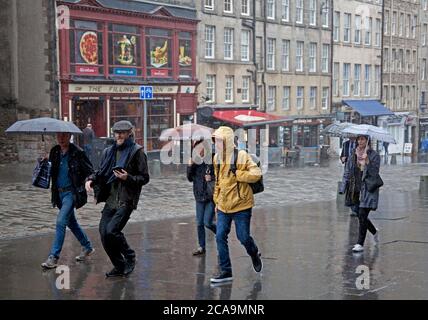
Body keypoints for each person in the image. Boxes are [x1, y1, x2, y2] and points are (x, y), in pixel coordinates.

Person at [85, 121, 150, 278]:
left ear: (129, 133)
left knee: (112, 230)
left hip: (126, 199)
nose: (119, 135)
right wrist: (90, 179)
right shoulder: (109, 151)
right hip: (111, 199)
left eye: (122, 132)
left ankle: (129, 255)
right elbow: (100, 171)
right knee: (103, 233)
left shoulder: (137, 152)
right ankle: (119, 266)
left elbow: (144, 177)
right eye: (116, 133)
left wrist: (128, 177)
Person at [210, 126, 263, 283]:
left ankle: (254, 253)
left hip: (242, 206)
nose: (216, 144)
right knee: (220, 237)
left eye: (219, 141)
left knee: (243, 237)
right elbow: (218, 182)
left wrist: (239, 174)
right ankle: (226, 271)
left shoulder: (241, 156)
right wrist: (216, 200)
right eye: (215, 141)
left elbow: (256, 174)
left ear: (227, 141)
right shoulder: (216, 158)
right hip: (223, 206)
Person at [41, 132, 95, 269]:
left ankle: (53, 256)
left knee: (60, 221)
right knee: (71, 222)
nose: (61, 138)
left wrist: (89, 181)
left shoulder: (78, 153)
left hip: (71, 193)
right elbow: (51, 169)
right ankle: (87, 246)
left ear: (70, 135)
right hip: (58, 194)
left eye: (64, 135)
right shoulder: (54, 151)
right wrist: (44, 162)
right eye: (58, 135)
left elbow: (90, 171)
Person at [340, 135, 380, 253]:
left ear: (367, 141)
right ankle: (374, 231)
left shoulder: (374, 155)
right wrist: (343, 187)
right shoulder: (353, 154)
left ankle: (359, 243)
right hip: (354, 188)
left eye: (363, 139)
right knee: (359, 214)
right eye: (359, 139)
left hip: (367, 188)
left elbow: (375, 173)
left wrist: (367, 162)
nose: (360, 141)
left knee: (362, 214)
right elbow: (347, 171)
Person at [187, 140, 217, 256]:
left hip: (210, 196)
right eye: (196, 149)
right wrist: (190, 166)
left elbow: (220, 176)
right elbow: (189, 178)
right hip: (199, 196)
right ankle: (201, 247)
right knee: (199, 223)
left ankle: (221, 234)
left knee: (207, 222)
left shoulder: (213, 159)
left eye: (200, 148)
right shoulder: (194, 161)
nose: (198, 151)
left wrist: (212, 177)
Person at [340, 137, 358, 216]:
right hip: (348, 169)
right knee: (349, 188)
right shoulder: (345, 144)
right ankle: (353, 209)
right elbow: (342, 156)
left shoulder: (359, 144)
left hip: (357, 170)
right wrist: (342, 158)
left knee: (356, 188)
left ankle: (356, 208)